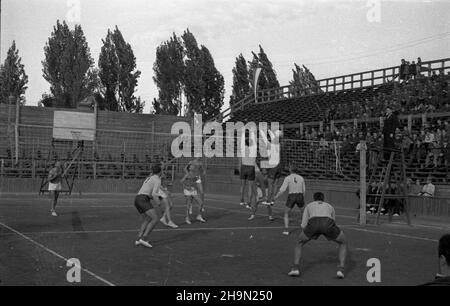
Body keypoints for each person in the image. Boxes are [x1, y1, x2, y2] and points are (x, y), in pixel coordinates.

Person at [288, 192, 347, 279]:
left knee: (299, 243)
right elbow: (333, 222)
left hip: (313, 223)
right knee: (343, 242)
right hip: (328, 223)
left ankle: (295, 268)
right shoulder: (329, 206)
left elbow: (303, 224)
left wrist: (308, 233)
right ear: (323, 199)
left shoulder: (309, 205)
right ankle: (340, 270)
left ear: (314, 198)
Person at [134, 164, 164, 248]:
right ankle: (144, 238)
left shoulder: (149, 177)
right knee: (155, 218)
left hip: (137, 199)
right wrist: (159, 204)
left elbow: (148, 193)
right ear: (160, 172)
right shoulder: (157, 179)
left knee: (147, 219)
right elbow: (154, 194)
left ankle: (138, 239)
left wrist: (157, 197)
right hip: (143, 200)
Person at [274, 165, 306, 236]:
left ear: (290, 170)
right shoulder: (301, 178)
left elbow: (282, 190)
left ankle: (286, 230)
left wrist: (276, 197)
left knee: (286, 213)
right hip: (300, 195)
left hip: (292, 196)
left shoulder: (287, 178)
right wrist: (302, 198)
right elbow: (304, 190)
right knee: (303, 212)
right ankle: (305, 227)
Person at [239, 134, 257, 209]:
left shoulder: (243, 148)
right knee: (250, 187)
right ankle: (248, 203)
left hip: (243, 167)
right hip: (251, 167)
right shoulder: (254, 149)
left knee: (242, 185)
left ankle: (241, 200)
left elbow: (240, 159)